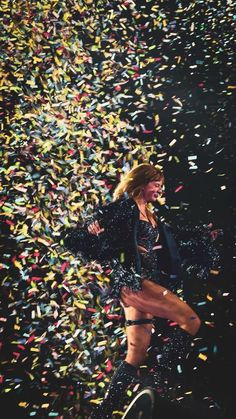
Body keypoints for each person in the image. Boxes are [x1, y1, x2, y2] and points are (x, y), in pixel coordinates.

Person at [63, 163, 202, 418]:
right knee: (191, 321)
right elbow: (94, 221)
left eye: (161, 185)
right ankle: (158, 381)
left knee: (136, 353)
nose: (160, 189)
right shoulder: (125, 208)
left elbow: (174, 239)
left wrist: (205, 237)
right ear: (142, 182)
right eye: (156, 184)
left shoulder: (150, 212)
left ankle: (102, 413)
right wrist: (94, 225)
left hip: (142, 283)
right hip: (135, 282)